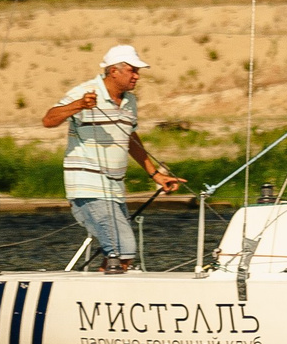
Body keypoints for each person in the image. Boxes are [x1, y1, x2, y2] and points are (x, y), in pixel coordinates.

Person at [41, 44, 184, 273]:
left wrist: (155, 174)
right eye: (132, 70)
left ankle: (98, 293)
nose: (137, 76)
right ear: (113, 71)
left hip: (115, 190)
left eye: (138, 71)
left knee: (118, 255)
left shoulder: (130, 101)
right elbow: (48, 120)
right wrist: (79, 105)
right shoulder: (87, 91)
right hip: (88, 189)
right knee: (122, 248)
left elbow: (130, 139)